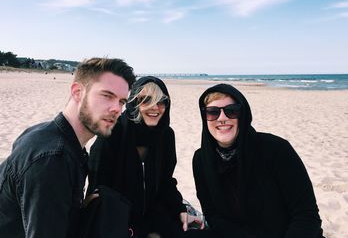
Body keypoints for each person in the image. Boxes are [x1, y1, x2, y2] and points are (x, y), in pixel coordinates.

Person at [0, 57, 136, 238]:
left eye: (121, 101)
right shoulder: (53, 159)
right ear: (77, 92)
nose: (117, 109)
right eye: (107, 96)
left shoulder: (47, 134)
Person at [191, 83, 325, 238]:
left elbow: (306, 215)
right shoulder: (201, 160)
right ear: (205, 118)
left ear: (243, 115)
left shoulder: (276, 149)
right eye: (212, 112)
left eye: (231, 111)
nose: (222, 118)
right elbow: (213, 215)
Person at [88, 76, 188, 238]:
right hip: (118, 216)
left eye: (162, 101)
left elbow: (165, 181)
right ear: (134, 103)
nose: (155, 107)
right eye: (146, 100)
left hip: (154, 211)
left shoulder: (166, 135)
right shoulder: (113, 133)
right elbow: (98, 189)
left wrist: (179, 209)